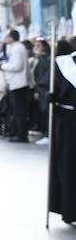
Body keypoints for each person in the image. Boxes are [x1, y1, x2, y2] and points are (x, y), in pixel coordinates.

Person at [48, 40, 76, 223]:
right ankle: (70, 210)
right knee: (68, 165)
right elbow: (53, 90)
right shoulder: (62, 64)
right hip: (68, 121)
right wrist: (50, 98)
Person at [1, 29, 33, 141]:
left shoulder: (18, 48)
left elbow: (17, 66)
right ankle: (18, 132)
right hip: (16, 83)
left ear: (11, 37)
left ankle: (22, 134)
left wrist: (3, 66)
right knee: (17, 110)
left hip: (19, 84)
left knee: (20, 111)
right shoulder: (16, 48)